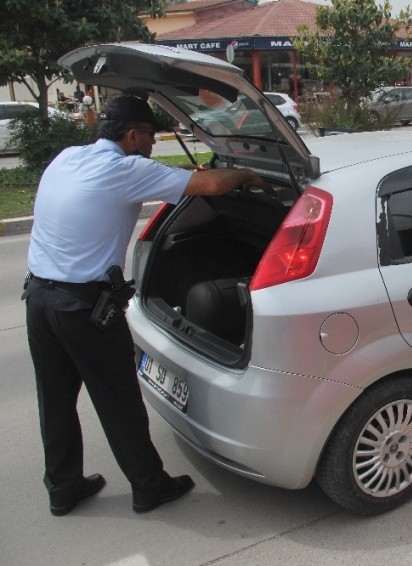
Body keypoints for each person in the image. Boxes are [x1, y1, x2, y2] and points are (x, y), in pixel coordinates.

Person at [23, 95, 274, 516]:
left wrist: (189, 175)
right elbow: (211, 186)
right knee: (118, 399)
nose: (153, 145)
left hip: (39, 301)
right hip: (81, 309)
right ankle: (149, 486)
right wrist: (248, 172)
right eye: (151, 137)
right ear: (132, 135)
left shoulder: (69, 157)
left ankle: (63, 488)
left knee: (55, 400)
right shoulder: (124, 169)